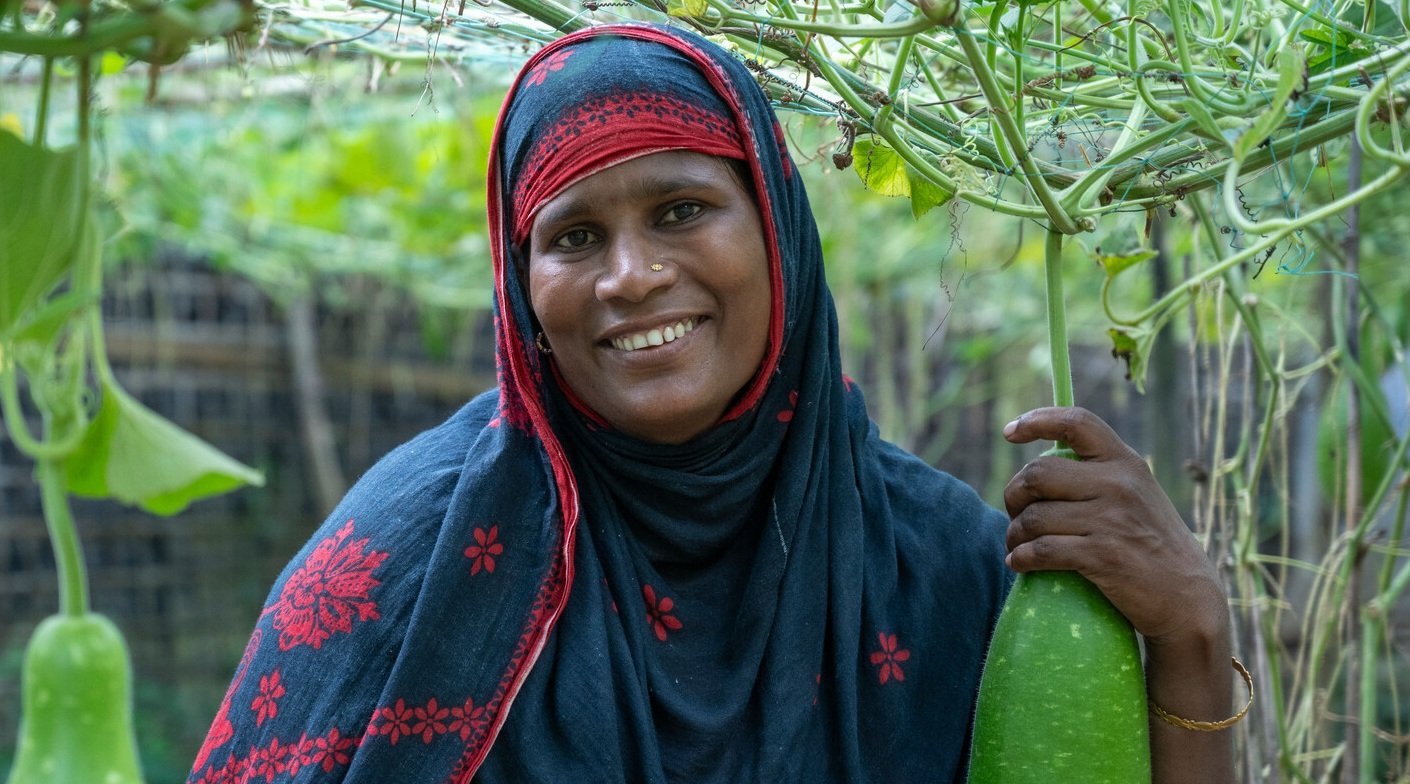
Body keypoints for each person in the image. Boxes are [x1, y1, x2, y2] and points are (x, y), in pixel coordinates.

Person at [188, 22, 1239, 784]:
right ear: (522, 287)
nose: (631, 275)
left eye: (683, 209)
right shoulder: (408, 558)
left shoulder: (937, 566)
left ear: (776, 231)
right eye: (574, 237)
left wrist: (1189, 632)